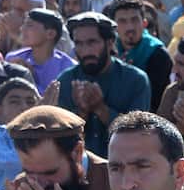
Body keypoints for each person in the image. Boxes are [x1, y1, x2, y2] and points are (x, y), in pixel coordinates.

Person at [55, 12, 151, 157]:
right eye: (79, 44)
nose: (85, 51)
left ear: (110, 42)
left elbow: (137, 136)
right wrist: (81, 112)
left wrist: (101, 109)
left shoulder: (135, 80)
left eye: (92, 42)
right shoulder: (66, 80)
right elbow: (60, 140)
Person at [108, 0, 171, 112]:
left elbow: (153, 101)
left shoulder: (158, 54)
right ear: (114, 27)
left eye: (134, 20)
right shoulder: (109, 50)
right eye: (122, 21)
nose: (130, 27)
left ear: (144, 23)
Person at [4, 8, 75, 94]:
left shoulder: (67, 67)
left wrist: (30, 80)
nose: (22, 29)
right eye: (24, 24)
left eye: (29, 25)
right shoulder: (14, 59)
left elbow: (57, 102)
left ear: (50, 34)